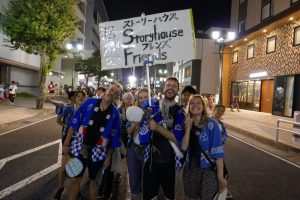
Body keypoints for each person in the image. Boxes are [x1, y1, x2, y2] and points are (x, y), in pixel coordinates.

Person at [63, 84, 121, 200]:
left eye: (116, 93)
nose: (112, 93)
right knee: (74, 179)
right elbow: (74, 123)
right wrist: (66, 144)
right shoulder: (89, 102)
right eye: (111, 90)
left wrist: (108, 157)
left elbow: (113, 139)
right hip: (79, 146)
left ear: (117, 97)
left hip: (99, 152)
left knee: (94, 182)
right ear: (106, 90)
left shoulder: (116, 115)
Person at [143, 77, 185, 200]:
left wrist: (157, 127)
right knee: (149, 196)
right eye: (168, 85)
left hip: (169, 162)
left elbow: (176, 138)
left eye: (174, 86)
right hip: (151, 161)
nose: (170, 88)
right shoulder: (153, 105)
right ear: (164, 88)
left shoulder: (180, 112)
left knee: (169, 196)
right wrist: (145, 114)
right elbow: (143, 126)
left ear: (177, 90)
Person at [182, 95, 227, 200]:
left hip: (208, 170)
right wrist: (188, 129)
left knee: (207, 196)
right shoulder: (187, 123)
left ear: (203, 106)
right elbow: (184, 147)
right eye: (192, 103)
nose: (195, 105)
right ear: (189, 106)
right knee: (191, 196)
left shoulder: (212, 124)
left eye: (199, 103)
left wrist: (220, 177)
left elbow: (218, 152)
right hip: (191, 168)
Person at [52, 91, 87, 200]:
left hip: (80, 143)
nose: (80, 98)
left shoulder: (87, 111)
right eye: (78, 96)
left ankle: (76, 191)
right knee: (63, 168)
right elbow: (58, 120)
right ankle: (60, 188)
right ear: (75, 98)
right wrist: (67, 126)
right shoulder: (68, 108)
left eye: (83, 97)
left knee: (77, 170)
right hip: (67, 141)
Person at [126, 89, 150, 200]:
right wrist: (133, 128)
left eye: (146, 97)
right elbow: (128, 132)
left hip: (148, 151)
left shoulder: (154, 113)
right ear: (137, 99)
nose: (143, 100)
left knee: (147, 180)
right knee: (134, 179)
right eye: (141, 97)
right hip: (133, 150)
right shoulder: (133, 112)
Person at [212, 104, 232, 199]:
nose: (220, 112)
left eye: (222, 111)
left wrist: (220, 140)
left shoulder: (221, 124)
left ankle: (223, 190)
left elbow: (225, 136)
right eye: (218, 110)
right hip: (209, 152)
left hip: (218, 151)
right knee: (214, 171)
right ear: (213, 110)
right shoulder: (207, 121)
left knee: (224, 172)